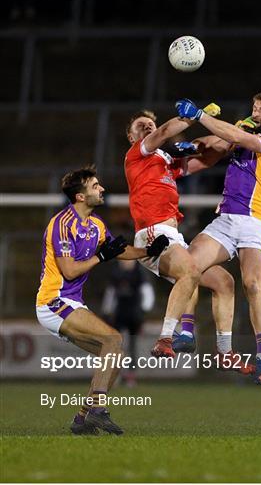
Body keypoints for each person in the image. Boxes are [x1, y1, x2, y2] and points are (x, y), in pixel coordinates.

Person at [36, 166, 169, 435]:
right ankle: (98, 410)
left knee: (114, 356)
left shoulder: (95, 224)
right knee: (114, 339)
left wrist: (148, 251)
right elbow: (71, 270)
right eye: (95, 185)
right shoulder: (61, 224)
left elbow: (117, 250)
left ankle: (82, 419)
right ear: (80, 196)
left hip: (71, 303)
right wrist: (101, 258)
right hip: (53, 301)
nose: (102, 189)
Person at [124, 108, 253, 373]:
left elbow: (206, 158)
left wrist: (234, 133)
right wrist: (197, 113)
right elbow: (164, 131)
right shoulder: (138, 153)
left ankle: (225, 351)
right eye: (141, 125)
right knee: (191, 271)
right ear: (131, 136)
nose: (148, 127)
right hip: (152, 233)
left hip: (174, 236)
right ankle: (166, 338)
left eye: (150, 123)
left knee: (224, 282)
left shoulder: (166, 161)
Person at [175, 90, 261, 384]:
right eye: (255, 106)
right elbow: (217, 143)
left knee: (251, 284)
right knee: (186, 265)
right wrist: (193, 143)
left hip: (255, 220)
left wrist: (201, 116)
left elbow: (241, 140)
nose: (257, 112)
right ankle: (186, 332)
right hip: (225, 218)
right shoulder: (242, 127)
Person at [102, 259, 155, 387]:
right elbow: (111, 293)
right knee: (116, 345)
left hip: (134, 314)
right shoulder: (116, 273)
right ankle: (115, 374)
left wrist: (143, 311)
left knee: (132, 346)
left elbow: (147, 293)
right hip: (119, 314)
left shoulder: (139, 274)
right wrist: (107, 310)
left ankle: (131, 375)